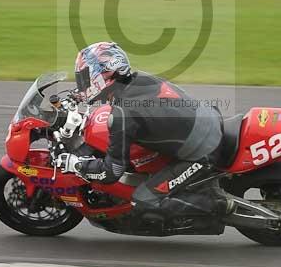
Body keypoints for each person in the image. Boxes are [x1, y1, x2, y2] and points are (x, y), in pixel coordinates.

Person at [56, 41, 233, 223]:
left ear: (103, 75)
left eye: (85, 79)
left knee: (144, 200)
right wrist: (78, 96)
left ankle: (219, 204)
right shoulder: (138, 79)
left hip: (203, 152)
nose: (83, 84)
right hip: (207, 121)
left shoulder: (122, 114)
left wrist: (77, 165)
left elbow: (112, 172)